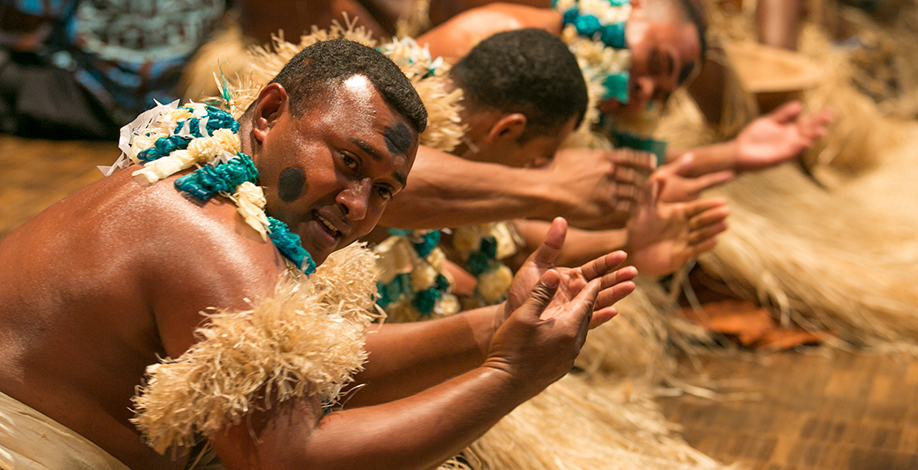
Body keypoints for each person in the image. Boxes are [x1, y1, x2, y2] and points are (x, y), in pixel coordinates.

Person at [0, 38, 638, 469]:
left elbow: (314, 366)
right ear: (271, 111)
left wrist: (495, 326)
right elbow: (285, 458)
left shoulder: (213, 170)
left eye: (384, 189)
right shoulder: (215, 239)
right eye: (348, 162)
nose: (359, 206)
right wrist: (510, 378)